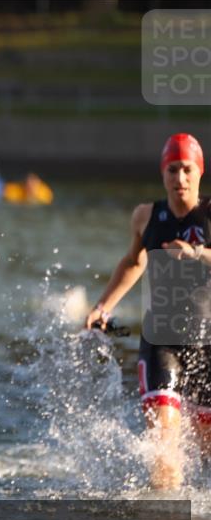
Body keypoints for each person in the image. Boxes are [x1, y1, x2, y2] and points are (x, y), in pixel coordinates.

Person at [84, 133, 211, 490]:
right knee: (165, 452)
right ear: (163, 173)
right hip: (161, 343)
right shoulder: (145, 216)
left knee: (204, 455)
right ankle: (164, 519)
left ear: (200, 172)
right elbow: (133, 262)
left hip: (207, 345)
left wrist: (197, 253)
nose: (180, 178)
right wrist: (102, 306)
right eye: (172, 170)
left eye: (187, 169)